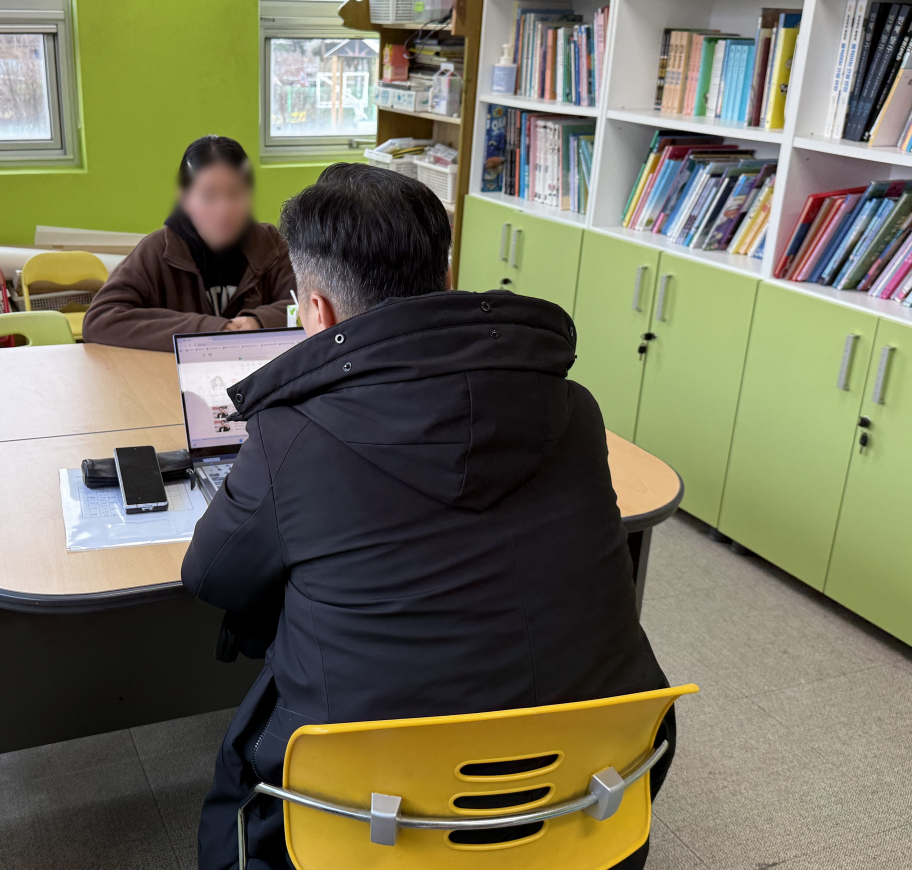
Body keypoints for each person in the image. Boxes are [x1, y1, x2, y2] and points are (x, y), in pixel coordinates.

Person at [181, 164, 675, 870]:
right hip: (579, 803)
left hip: (368, 821)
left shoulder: (290, 436)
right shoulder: (573, 408)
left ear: (316, 311)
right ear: (445, 279)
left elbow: (211, 577)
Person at [82, 136, 295, 351]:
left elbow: (307, 305)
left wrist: (260, 322)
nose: (224, 210)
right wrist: (208, 330)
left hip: (259, 371)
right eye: (209, 196)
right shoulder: (158, 250)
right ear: (184, 199)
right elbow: (100, 320)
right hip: (168, 371)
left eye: (236, 194)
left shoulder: (270, 245)